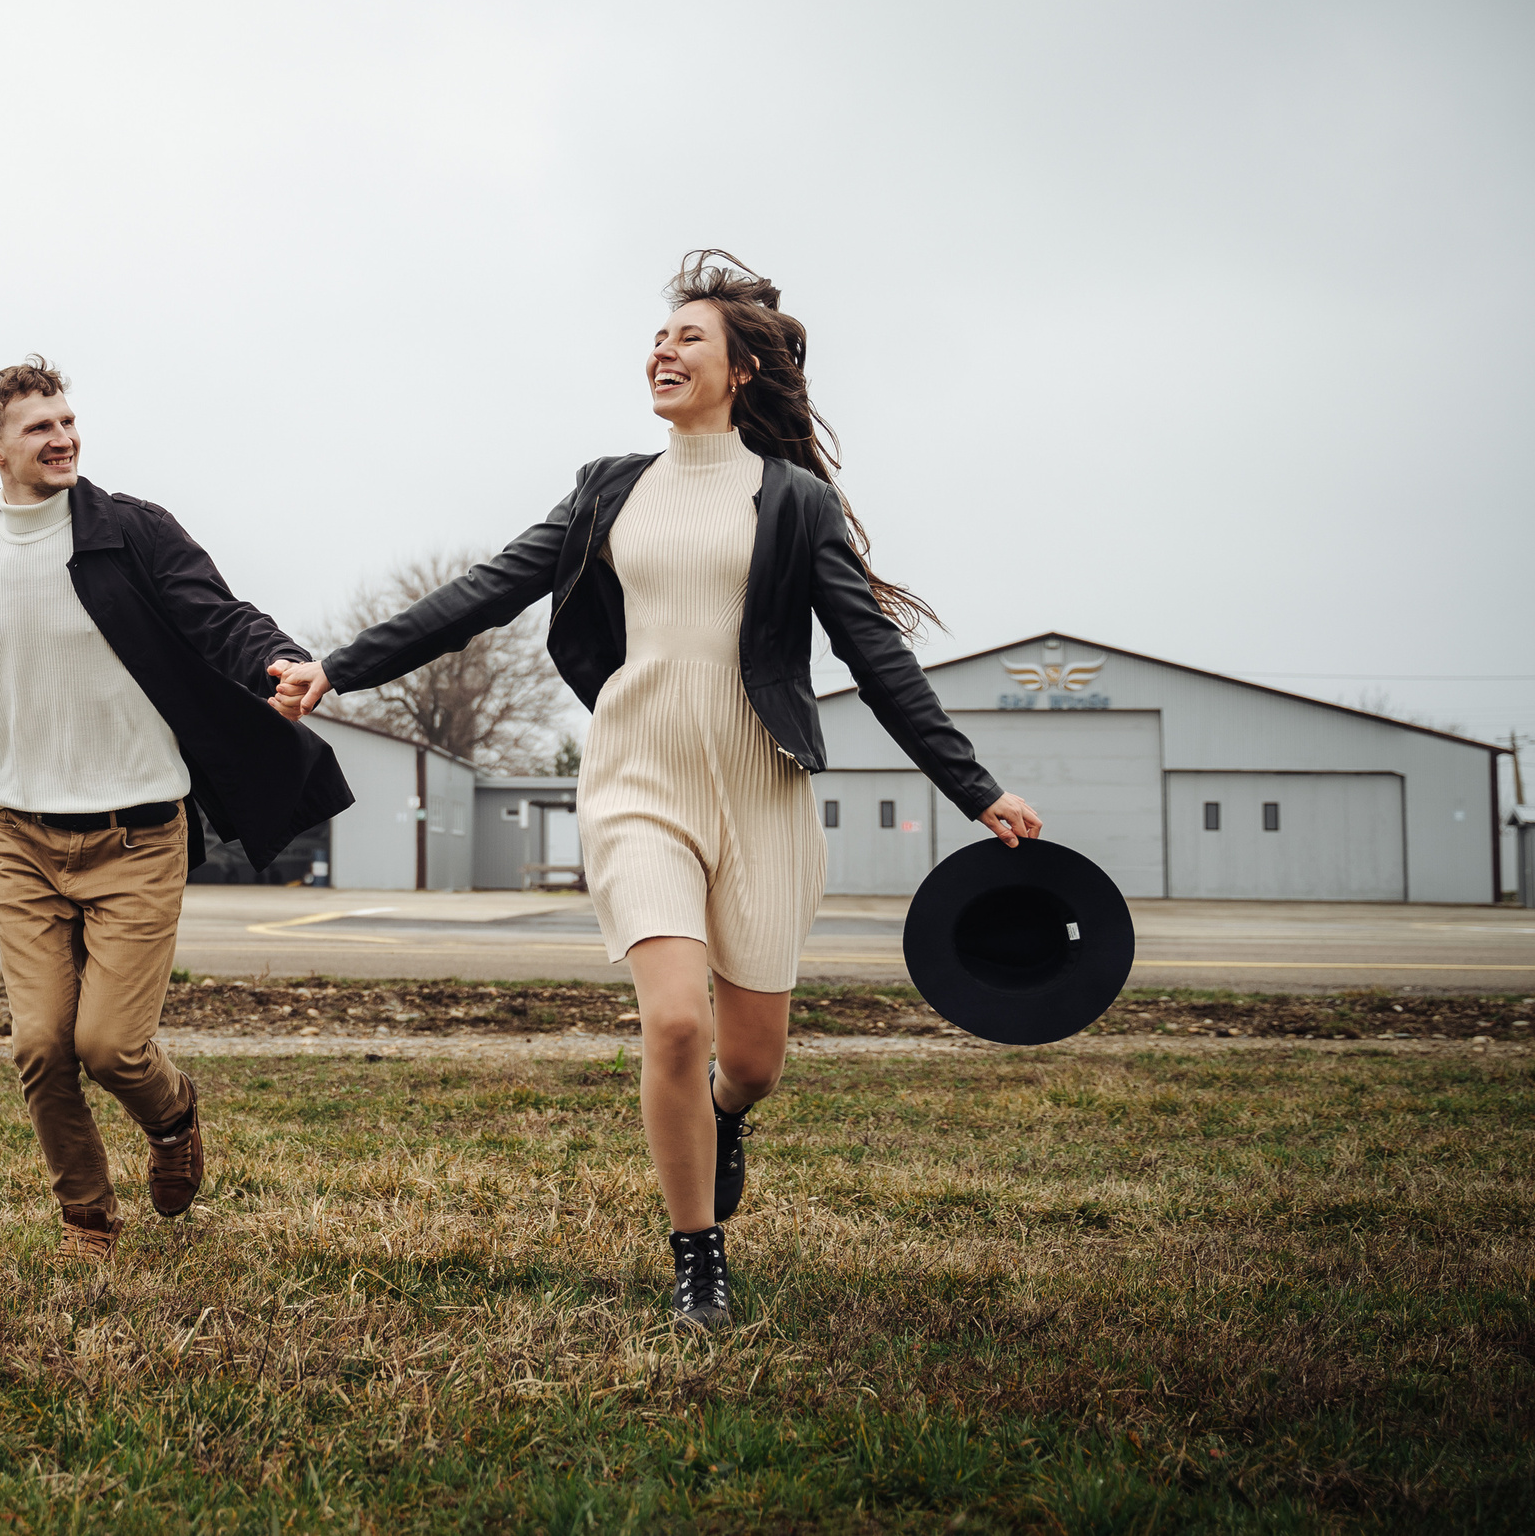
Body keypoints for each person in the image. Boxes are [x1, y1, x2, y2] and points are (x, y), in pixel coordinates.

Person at [270, 252, 1041, 1328]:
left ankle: (724, 1117)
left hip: (762, 791)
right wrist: (337, 666)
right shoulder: (606, 490)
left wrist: (974, 788)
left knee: (754, 1063)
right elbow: (485, 590)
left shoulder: (795, 502)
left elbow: (876, 657)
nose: (662, 349)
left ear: (741, 373)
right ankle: (697, 1256)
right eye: (658, 336)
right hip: (637, 781)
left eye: (689, 338)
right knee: (675, 1023)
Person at [0, 357, 350, 1263]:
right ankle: (87, 1217)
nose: (64, 438)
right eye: (41, 428)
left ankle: (174, 1116)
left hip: (138, 833)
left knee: (113, 1046)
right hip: (22, 837)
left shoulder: (133, 533)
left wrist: (275, 659)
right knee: (42, 1046)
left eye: (70, 421)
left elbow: (218, 616)